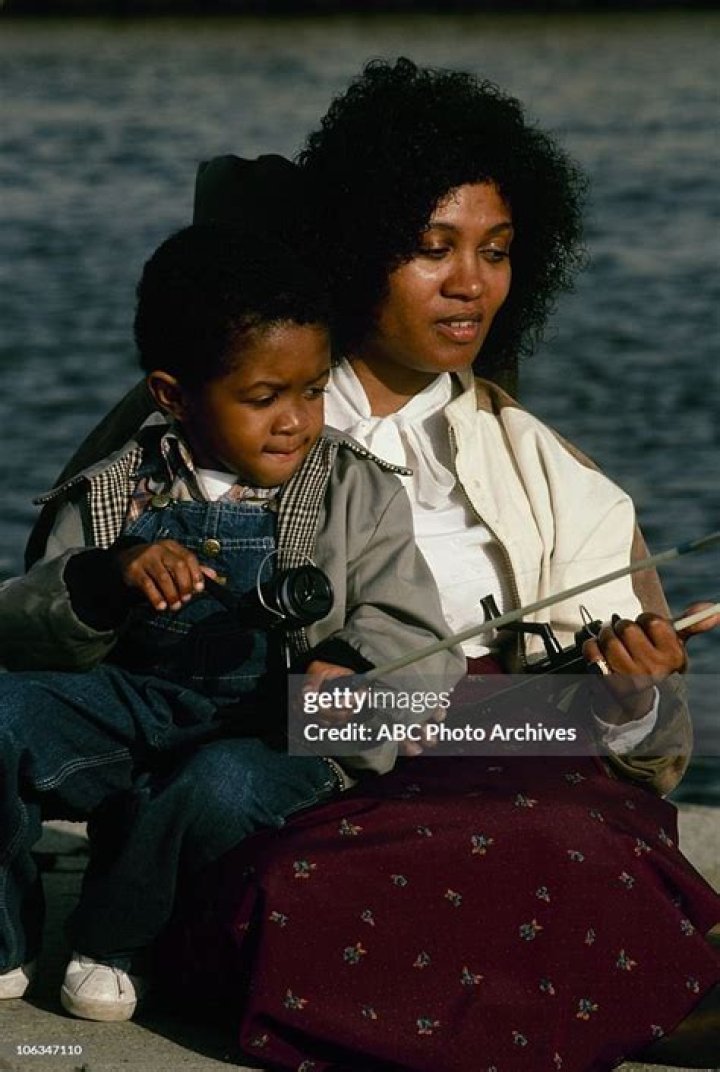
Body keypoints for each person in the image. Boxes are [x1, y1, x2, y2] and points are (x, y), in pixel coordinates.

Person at [15, 60, 720, 1069]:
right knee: (304, 860)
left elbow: (639, 746)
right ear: (355, 249)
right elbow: (60, 624)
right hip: (277, 741)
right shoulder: (208, 411)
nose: (470, 283)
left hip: (501, 743)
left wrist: (630, 696)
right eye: (432, 250)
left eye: (496, 252)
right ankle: (627, 1007)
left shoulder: (553, 472)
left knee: (566, 830)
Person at [0, 219, 463, 1022]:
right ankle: (7, 940)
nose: (296, 420)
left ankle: (114, 941)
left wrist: (354, 668)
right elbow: (23, 628)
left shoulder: (355, 491)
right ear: (173, 396)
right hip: (134, 704)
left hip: (274, 723)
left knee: (217, 784)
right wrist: (107, 579)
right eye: (263, 398)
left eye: (313, 390)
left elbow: (416, 630)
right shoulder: (111, 490)